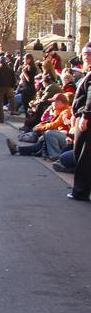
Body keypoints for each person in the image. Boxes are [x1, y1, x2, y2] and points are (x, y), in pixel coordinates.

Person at [67, 45, 91, 201]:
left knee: (83, 156)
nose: (86, 57)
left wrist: (86, 115)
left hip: (87, 119)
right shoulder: (87, 74)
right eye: (84, 54)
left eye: (89, 54)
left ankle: (80, 190)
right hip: (82, 115)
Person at [0, 55, 17, 123]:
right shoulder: (10, 69)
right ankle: (13, 110)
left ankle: (0, 118)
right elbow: (14, 78)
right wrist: (12, 86)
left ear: (0, 62)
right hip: (9, 87)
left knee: (0, 103)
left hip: (0, 88)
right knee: (11, 98)